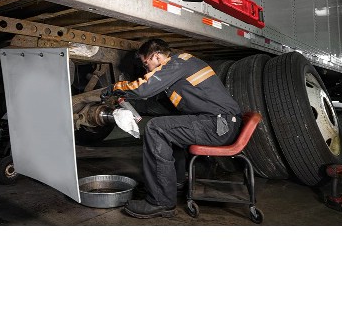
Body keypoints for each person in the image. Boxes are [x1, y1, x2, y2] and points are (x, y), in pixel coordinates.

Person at [101, 38, 242, 219]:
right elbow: (160, 106)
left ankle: (160, 201)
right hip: (218, 123)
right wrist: (132, 105)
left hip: (219, 125)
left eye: (146, 64)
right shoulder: (181, 69)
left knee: (156, 128)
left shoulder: (177, 62)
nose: (146, 70)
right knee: (168, 125)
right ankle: (173, 183)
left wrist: (115, 87)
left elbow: (144, 89)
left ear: (156, 56)